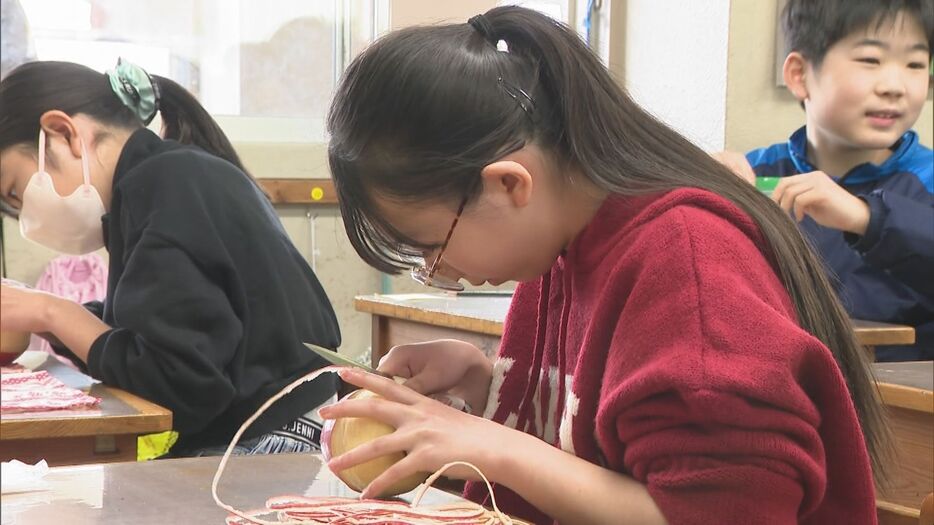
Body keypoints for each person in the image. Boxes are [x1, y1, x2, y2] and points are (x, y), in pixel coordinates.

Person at [317, 6, 891, 525]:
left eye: (430, 246)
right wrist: (486, 380)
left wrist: (494, 447)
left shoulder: (686, 264)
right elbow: (608, 429)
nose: (440, 271)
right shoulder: (562, 244)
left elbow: (725, 513)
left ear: (509, 184)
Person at [0, 59, 341, 457]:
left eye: (16, 192)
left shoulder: (165, 186)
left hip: (273, 437)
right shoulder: (163, 179)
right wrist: (45, 314)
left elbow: (180, 385)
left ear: (63, 133)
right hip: (266, 423)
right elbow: (146, 336)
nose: (26, 214)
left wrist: (52, 312)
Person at [736, 0, 933, 361]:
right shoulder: (757, 175)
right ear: (799, 75)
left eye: (915, 65)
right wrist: (700, 188)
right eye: (870, 60)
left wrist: (867, 218)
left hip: (898, 408)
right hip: (780, 390)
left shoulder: (928, 179)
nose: (894, 85)